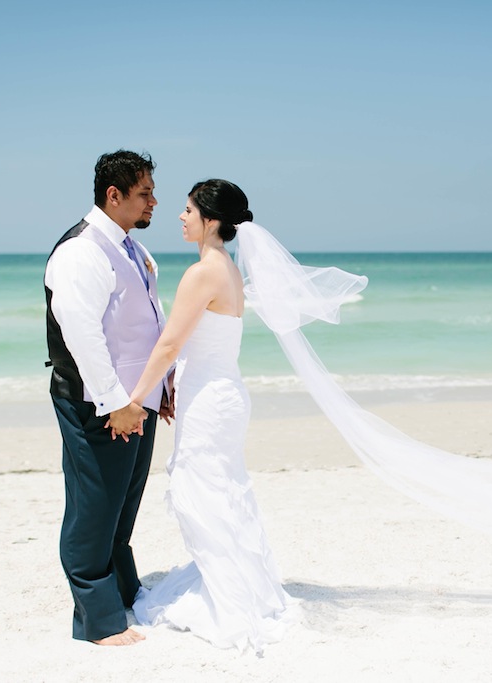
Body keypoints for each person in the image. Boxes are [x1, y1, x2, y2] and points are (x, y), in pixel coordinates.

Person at [109, 179, 296, 654]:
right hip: (222, 393)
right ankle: (241, 586)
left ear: (210, 220)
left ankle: (229, 601)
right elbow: (198, 343)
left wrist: (134, 398)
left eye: (188, 209)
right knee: (223, 490)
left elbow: (170, 342)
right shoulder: (227, 269)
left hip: (211, 401)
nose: (180, 216)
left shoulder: (202, 273)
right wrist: (172, 383)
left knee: (202, 492)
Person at [44, 150, 172, 646]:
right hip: (97, 402)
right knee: (94, 505)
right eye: (145, 193)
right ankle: (97, 622)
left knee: (123, 503)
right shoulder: (81, 250)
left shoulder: (133, 249)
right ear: (113, 195)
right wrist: (113, 402)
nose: (154, 202)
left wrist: (162, 386)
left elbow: (146, 324)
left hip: (135, 401)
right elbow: (83, 335)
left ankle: (123, 592)